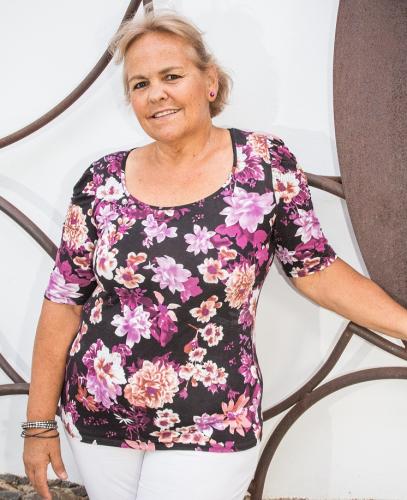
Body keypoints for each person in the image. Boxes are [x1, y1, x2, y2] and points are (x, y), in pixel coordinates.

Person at [22, 10, 407, 500]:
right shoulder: (102, 180)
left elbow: (316, 270)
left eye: (171, 76)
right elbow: (64, 299)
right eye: (140, 84)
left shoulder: (265, 165)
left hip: (213, 418)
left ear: (210, 82)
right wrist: (38, 424)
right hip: (99, 414)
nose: (155, 94)